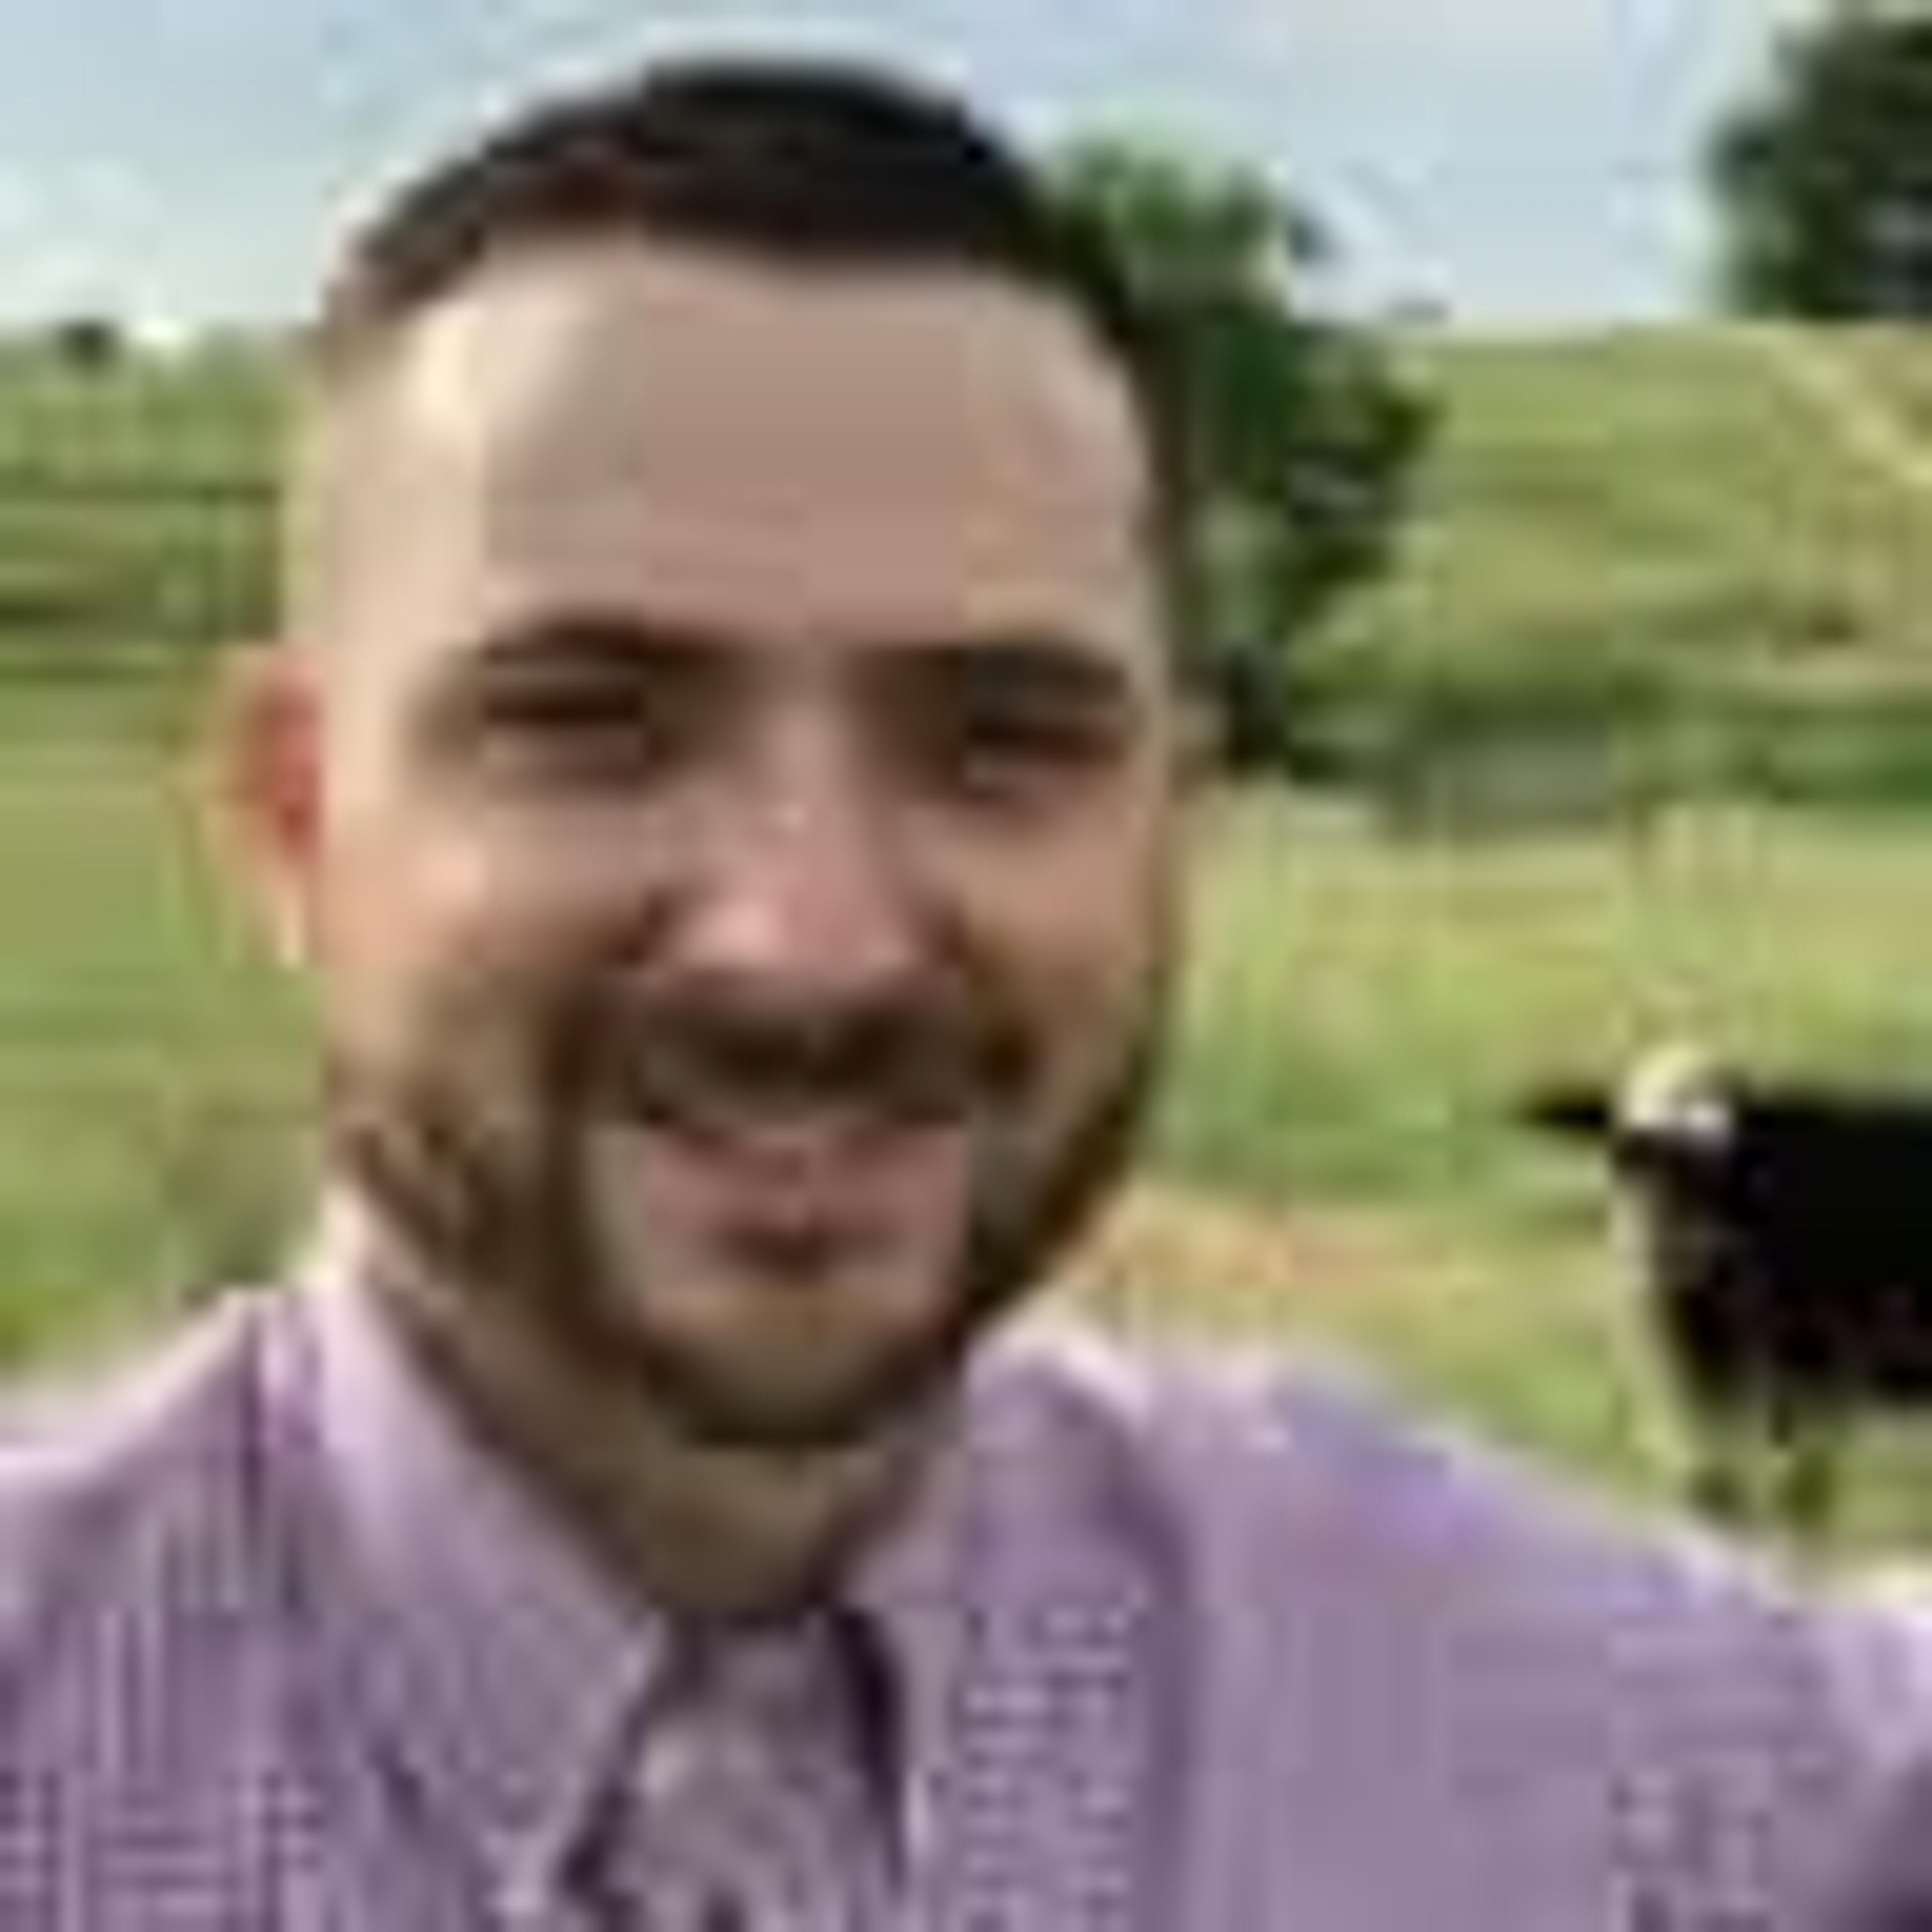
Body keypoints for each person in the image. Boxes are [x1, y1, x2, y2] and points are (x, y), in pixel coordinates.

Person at [0, 52, 1886, 1927]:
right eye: (590, 723)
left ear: (1171, 822)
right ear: (295, 822)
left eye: (1002, 740)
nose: (807, 947)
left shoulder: (1477, 1675)